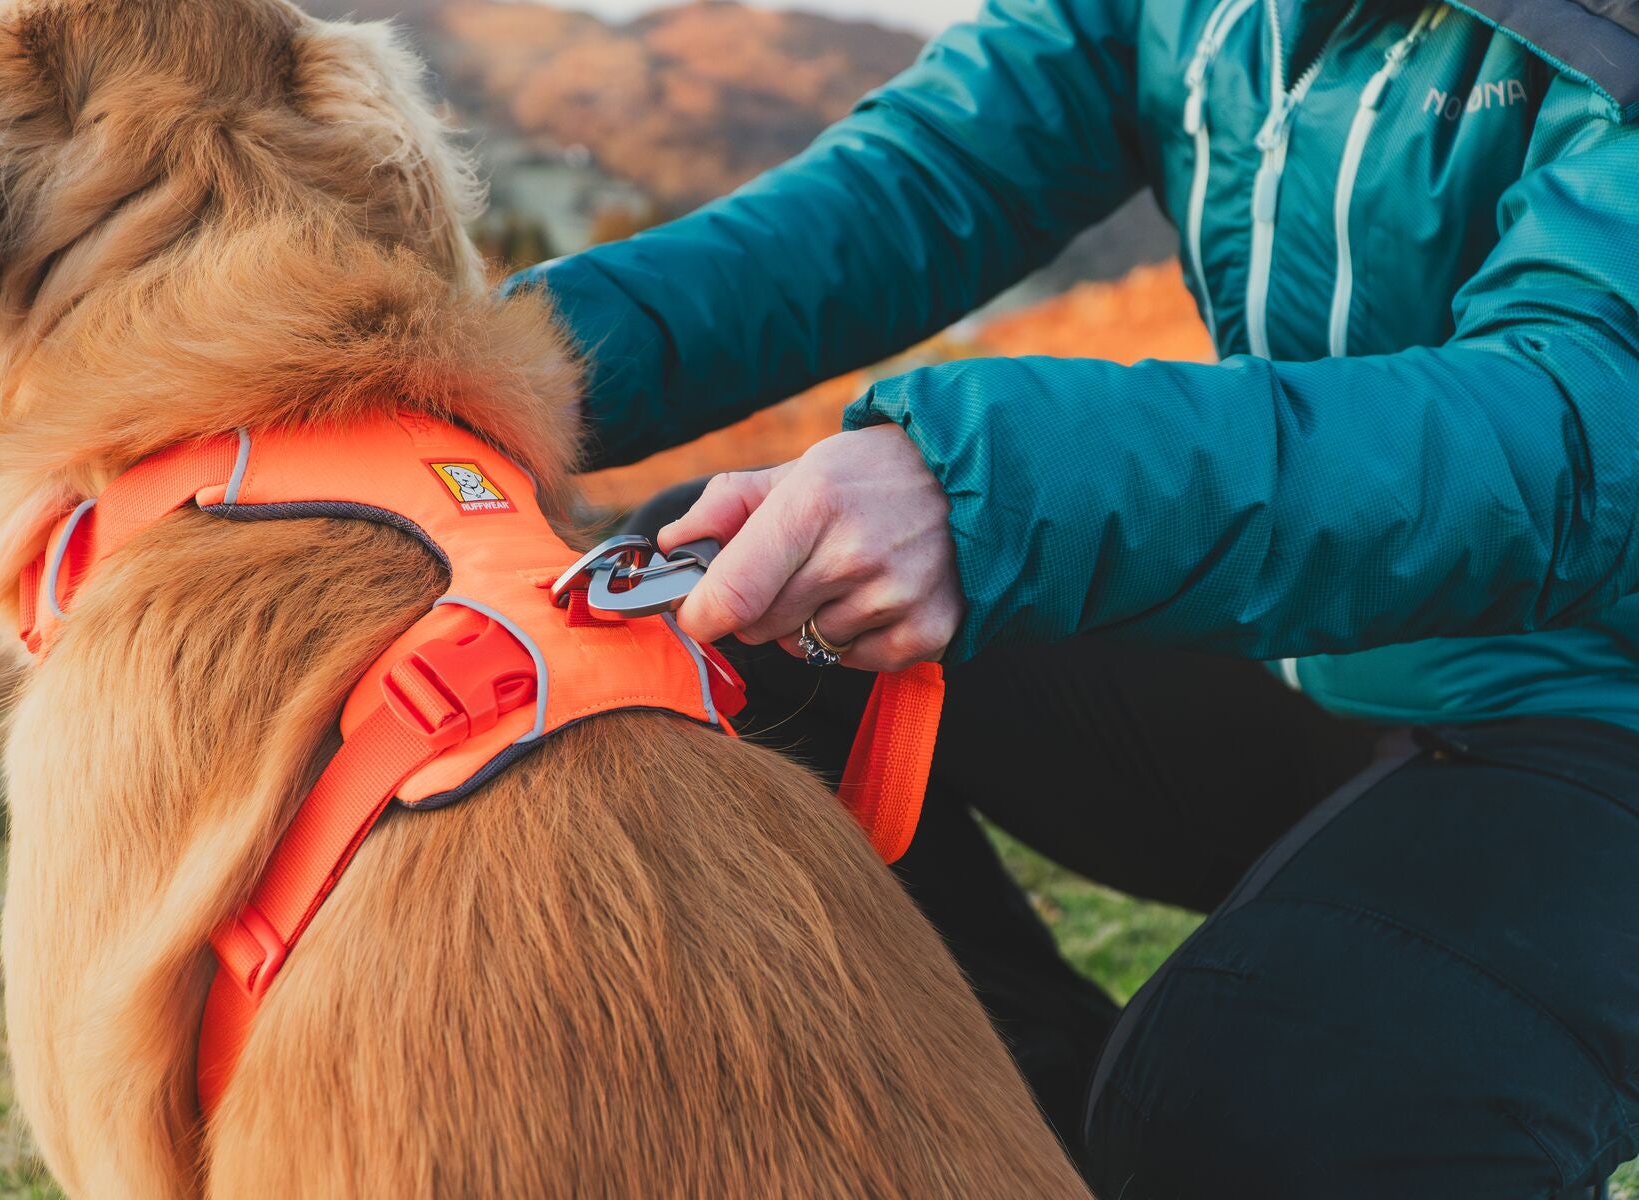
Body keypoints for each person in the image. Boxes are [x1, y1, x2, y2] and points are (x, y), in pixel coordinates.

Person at [510, 2, 1639, 1196]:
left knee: (1263, 1119)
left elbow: (1574, 429)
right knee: (732, 627)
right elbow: (931, 176)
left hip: (1598, 708)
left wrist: (989, 487)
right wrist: (493, 370)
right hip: (1315, 651)